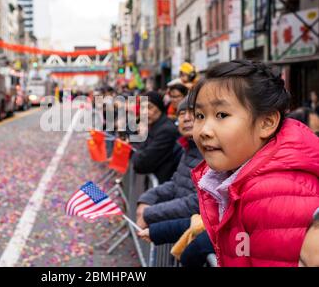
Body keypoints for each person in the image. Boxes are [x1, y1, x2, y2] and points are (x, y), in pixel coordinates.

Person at [189, 60, 319, 267]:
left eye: (221, 115)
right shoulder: (238, 178)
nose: (204, 130)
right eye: (199, 115)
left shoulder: (272, 193)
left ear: (266, 123)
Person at [136, 97, 202, 228]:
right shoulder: (189, 147)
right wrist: (147, 198)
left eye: (192, 112)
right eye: (181, 113)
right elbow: (176, 184)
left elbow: (198, 201)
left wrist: (150, 213)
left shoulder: (210, 152)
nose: (186, 118)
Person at [131, 91, 181, 183]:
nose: (145, 112)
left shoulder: (166, 131)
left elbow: (141, 163)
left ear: (160, 108)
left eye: (149, 107)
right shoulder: (154, 127)